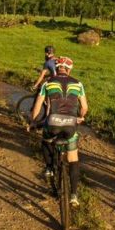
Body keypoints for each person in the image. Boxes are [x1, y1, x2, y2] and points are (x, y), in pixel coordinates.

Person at [27, 56, 87, 207]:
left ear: (57, 67)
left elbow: (37, 106)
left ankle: (48, 168)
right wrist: (80, 116)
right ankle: (73, 195)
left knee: (46, 139)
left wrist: (33, 122)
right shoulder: (78, 84)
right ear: (69, 69)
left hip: (53, 122)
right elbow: (85, 107)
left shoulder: (47, 83)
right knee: (73, 158)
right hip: (70, 125)